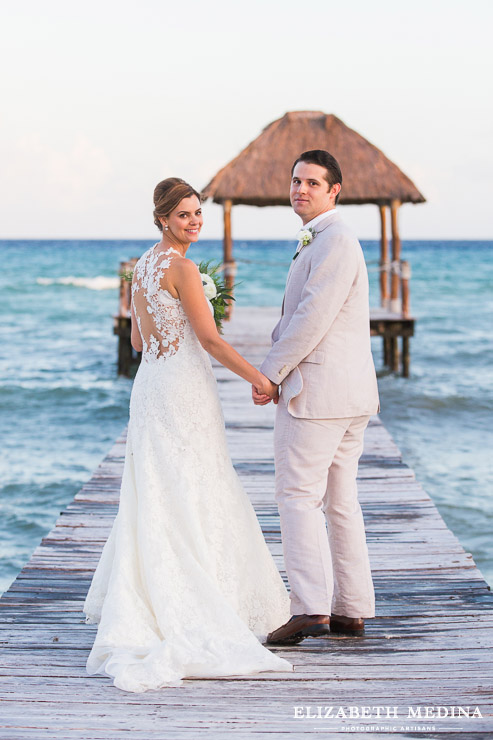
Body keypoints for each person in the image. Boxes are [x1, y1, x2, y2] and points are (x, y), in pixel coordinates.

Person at [83, 177, 292, 692]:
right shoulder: (183, 268)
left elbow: (136, 338)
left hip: (151, 384)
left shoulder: (142, 267)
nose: (194, 222)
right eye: (183, 215)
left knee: (156, 489)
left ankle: (147, 597)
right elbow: (212, 341)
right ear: (162, 219)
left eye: (198, 213)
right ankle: (201, 598)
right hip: (183, 388)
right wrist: (261, 379)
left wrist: (174, 322)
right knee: (198, 481)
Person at [252, 150, 380, 645]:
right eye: (295, 181)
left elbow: (312, 318)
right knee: (341, 501)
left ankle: (309, 608)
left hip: (321, 396)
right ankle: (350, 609)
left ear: (334, 191)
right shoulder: (325, 240)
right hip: (348, 396)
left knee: (296, 497)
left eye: (311, 182)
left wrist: (270, 373)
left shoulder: (336, 241)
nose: (300, 189)